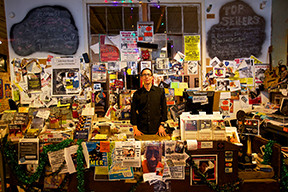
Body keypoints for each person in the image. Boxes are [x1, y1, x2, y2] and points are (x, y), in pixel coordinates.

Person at [131, 68, 167, 136]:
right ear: (141, 78)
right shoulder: (137, 94)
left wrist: (162, 125)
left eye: (148, 75)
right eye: (144, 75)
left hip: (157, 130)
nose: (146, 77)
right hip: (141, 130)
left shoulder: (160, 92)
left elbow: (164, 109)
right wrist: (135, 128)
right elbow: (133, 112)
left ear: (152, 77)